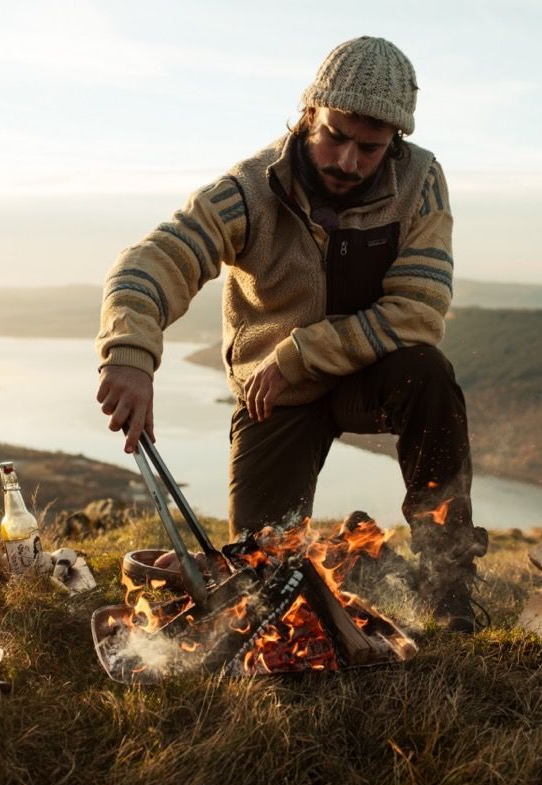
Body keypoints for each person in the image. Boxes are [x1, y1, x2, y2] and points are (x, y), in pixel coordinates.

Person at [95, 36, 488, 631]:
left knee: (429, 375)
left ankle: (450, 586)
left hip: (368, 375)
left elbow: (420, 310)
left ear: (395, 143)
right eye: (335, 135)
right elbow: (154, 259)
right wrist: (129, 356)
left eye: (370, 148)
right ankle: (367, 564)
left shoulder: (420, 180)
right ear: (310, 114)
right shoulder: (250, 189)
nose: (348, 161)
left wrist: (303, 353)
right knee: (262, 572)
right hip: (273, 396)